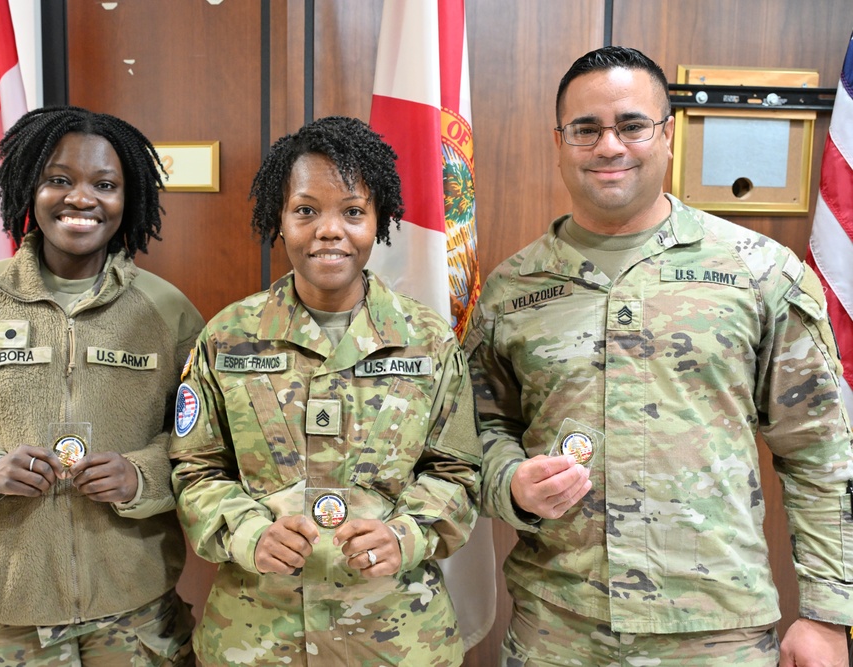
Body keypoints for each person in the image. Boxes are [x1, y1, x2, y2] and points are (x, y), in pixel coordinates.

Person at [467, 46, 853, 666]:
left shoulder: (757, 272)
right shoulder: (514, 290)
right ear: (560, 140)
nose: (609, 146)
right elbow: (475, 432)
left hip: (716, 634)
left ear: (668, 135)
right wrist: (509, 482)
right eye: (585, 129)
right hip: (557, 631)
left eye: (632, 125)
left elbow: (820, 451)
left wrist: (828, 617)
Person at [0, 106, 204, 666]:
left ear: (128, 200)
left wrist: (141, 474)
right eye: (59, 179)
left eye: (105, 184)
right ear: (29, 188)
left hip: (134, 613)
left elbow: (205, 439)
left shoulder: (167, 312)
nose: (81, 198)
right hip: (6, 614)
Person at [170, 115, 482, 666]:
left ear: (378, 221)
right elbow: (194, 470)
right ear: (280, 220)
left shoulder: (429, 342)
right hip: (256, 640)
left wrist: (407, 534)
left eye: (353, 211)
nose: (330, 230)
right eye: (306, 210)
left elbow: (459, 473)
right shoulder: (228, 337)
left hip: (396, 638)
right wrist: (247, 533)